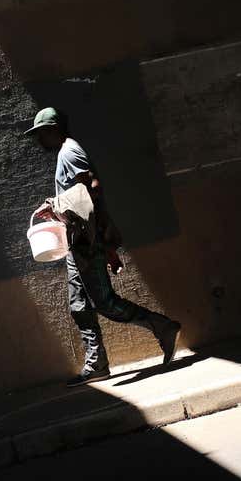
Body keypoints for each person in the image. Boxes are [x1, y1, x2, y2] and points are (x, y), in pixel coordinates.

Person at [24, 107, 180, 385]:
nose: (39, 140)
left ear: (54, 129)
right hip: (79, 242)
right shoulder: (65, 152)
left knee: (104, 303)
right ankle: (97, 364)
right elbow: (82, 195)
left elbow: (93, 189)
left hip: (87, 241)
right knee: (79, 305)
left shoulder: (69, 152)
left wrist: (104, 243)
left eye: (41, 134)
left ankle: (163, 327)